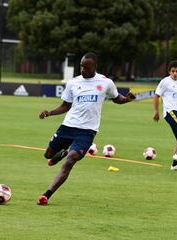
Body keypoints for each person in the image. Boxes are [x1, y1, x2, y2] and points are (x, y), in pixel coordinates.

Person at [37, 52, 136, 205]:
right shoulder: (73, 83)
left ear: (94, 67)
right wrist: (49, 113)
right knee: (48, 155)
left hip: (87, 131)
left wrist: (127, 99)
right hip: (68, 126)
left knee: (70, 161)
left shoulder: (106, 82)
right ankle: (63, 152)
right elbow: (65, 106)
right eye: (81, 66)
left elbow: (118, 99)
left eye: (86, 67)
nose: (83, 69)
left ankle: (46, 195)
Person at [153, 60, 177, 172]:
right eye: (173, 71)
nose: (175, 73)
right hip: (170, 113)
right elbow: (156, 96)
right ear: (169, 71)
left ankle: (175, 165)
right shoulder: (165, 82)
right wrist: (156, 111)